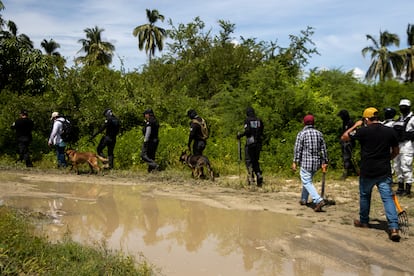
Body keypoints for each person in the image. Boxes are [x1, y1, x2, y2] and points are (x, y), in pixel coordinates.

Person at [341, 107, 401, 242]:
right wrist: (387, 159)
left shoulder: (362, 131)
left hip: (367, 171)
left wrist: (355, 125)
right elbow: (396, 151)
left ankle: (364, 222)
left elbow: (344, 137)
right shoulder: (389, 131)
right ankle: (394, 228)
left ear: (366, 119)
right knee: (387, 199)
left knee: (365, 196)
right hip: (384, 171)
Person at [292, 114, 328, 212]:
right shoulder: (319, 133)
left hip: (306, 163)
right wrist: (325, 161)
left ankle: (318, 200)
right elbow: (323, 149)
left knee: (307, 181)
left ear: (304, 123)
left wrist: (295, 161)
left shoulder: (302, 134)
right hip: (316, 163)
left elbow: (297, 149)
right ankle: (303, 199)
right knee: (307, 180)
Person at [237, 107, 264, 186]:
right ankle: (258, 174)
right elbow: (262, 131)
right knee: (255, 160)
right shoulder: (259, 120)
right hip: (258, 143)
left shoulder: (247, 120)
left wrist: (240, 135)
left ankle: (251, 177)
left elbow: (247, 131)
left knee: (249, 160)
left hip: (250, 143)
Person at [393, 99, 414, 197]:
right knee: (397, 166)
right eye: (401, 106)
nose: (402, 108)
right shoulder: (399, 119)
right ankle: (400, 187)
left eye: (404, 106)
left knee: (406, 166)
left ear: (409, 107)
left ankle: (408, 189)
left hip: (407, 145)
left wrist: (410, 135)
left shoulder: (412, 118)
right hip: (398, 145)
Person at [337, 109, 357, 180]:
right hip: (344, 142)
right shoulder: (344, 122)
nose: (340, 117)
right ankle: (353, 171)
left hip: (349, 142)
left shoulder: (350, 122)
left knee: (347, 157)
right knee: (346, 157)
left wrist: (348, 140)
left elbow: (354, 132)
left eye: (341, 116)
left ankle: (345, 173)